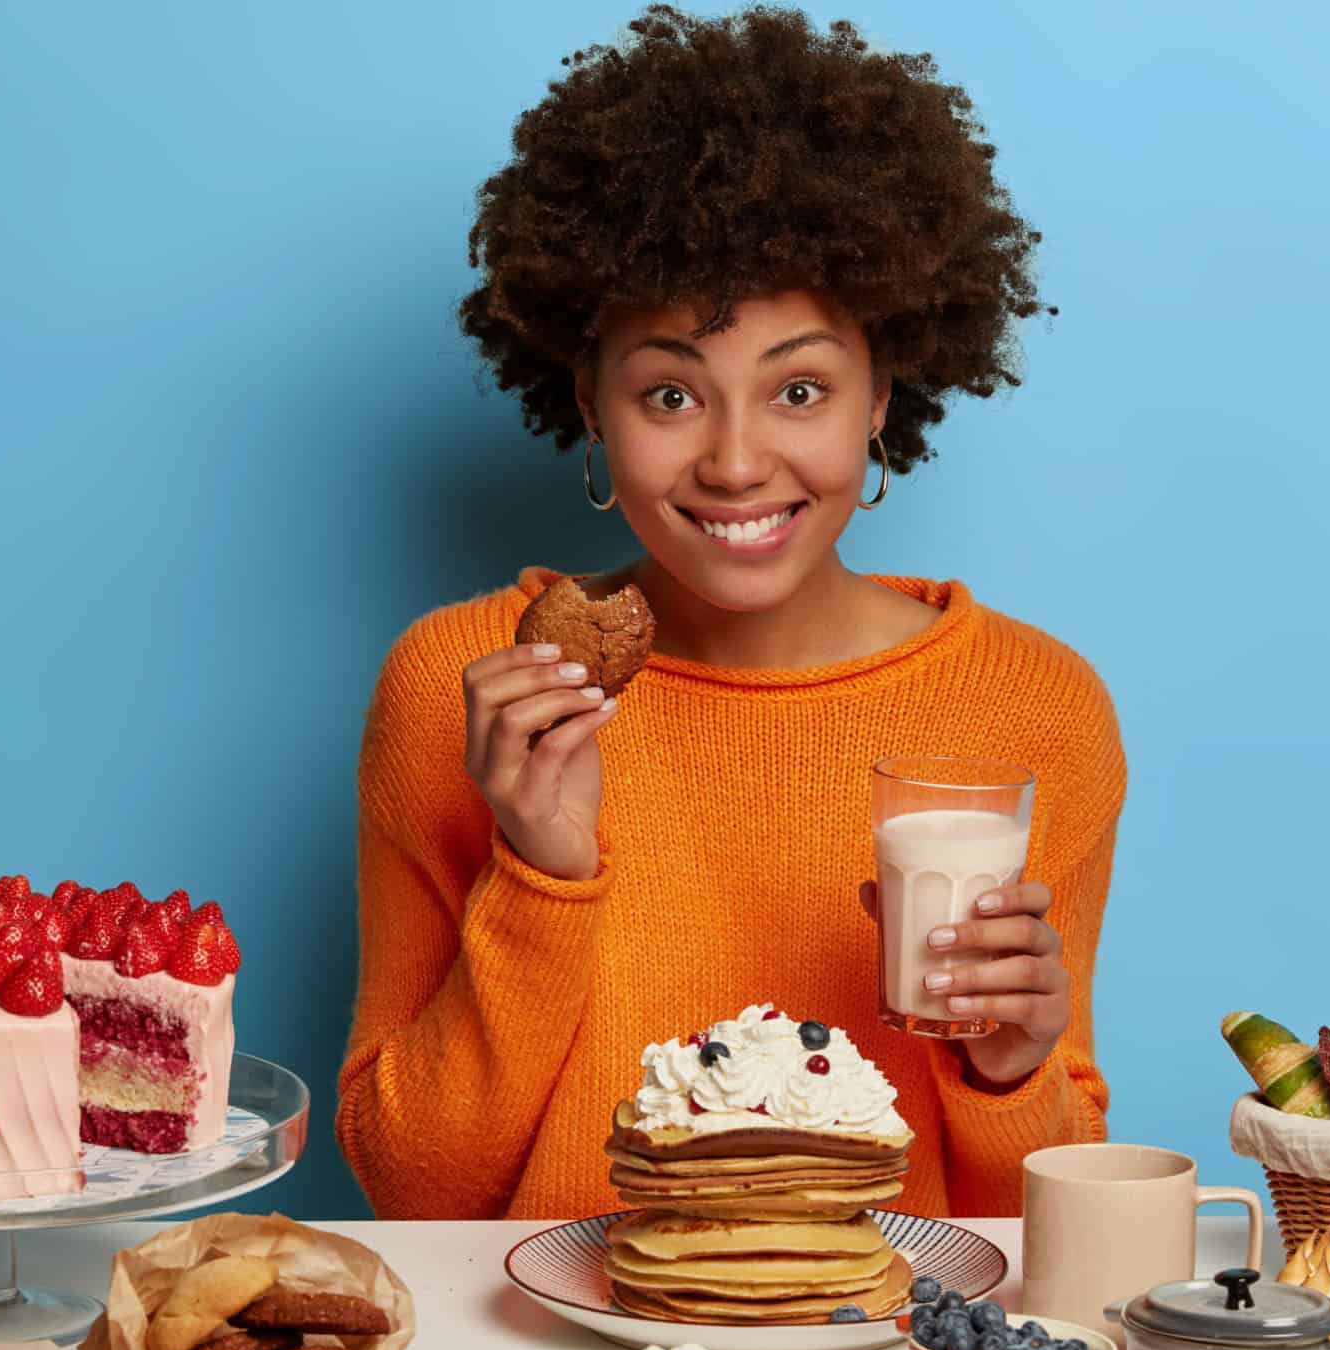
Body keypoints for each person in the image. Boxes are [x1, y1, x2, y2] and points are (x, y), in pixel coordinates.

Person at [337, 4, 1123, 1220]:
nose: (738, 462)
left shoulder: (1031, 708)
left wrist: (1010, 1065)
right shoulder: (466, 685)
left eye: (798, 388)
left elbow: (1030, 1235)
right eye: (669, 394)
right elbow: (415, 1192)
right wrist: (544, 872)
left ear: (881, 397)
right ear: (590, 408)